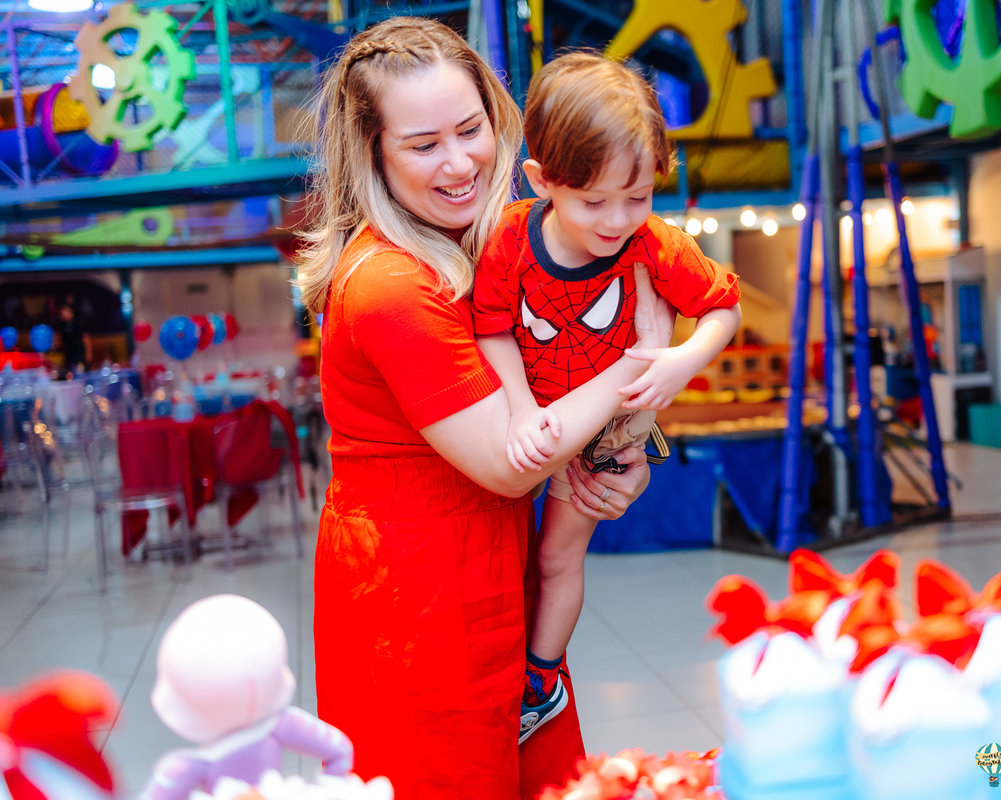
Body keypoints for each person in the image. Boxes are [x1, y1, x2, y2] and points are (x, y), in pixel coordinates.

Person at [294, 17, 675, 800]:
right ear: (373, 153)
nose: (460, 161)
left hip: (493, 572)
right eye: (423, 143)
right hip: (417, 601)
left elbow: (555, 392)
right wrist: (647, 360)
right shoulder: (392, 286)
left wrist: (622, 450)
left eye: (470, 129)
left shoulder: (488, 244)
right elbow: (509, 462)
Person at [472, 53, 742, 743]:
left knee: (559, 557)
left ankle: (541, 677)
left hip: (612, 435)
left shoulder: (653, 245)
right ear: (542, 181)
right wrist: (523, 410)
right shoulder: (511, 241)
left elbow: (723, 309)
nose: (618, 219)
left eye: (640, 196)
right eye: (594, 200)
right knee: (507, 560)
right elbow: (492, 328)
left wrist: (682, 361)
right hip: (536, 420)